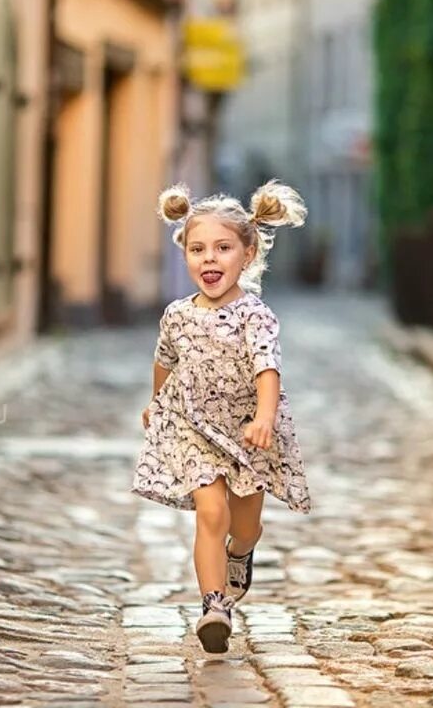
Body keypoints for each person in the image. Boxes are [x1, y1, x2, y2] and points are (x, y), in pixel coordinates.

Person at [132, 179, 312, 654]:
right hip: (193, 428)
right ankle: (215, 606)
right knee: (210, 511)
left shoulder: (256, 315)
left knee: (245, 522)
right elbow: (164, 360)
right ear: (185, 255)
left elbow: (267, 369)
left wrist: (265, 419)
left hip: (249, 432)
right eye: (197, 249)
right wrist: (156, 403)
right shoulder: (176, 314)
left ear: (247, 255)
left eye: (222, 248)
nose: (209, 259)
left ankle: (242, 552)